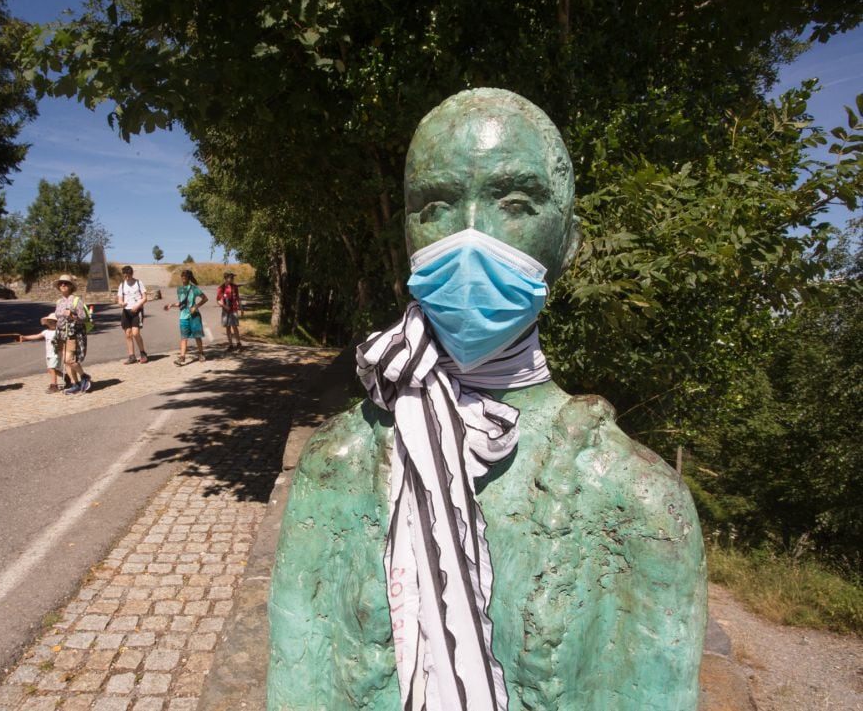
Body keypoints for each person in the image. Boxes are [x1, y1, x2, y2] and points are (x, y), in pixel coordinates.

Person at [267, 89, 706, 711]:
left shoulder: (638, 500)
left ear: (568, 242)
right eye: (437, 205)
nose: (470, 238)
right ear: (409, 231)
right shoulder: (338, 464)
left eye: (517, 204)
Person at [53, 274, 91, 394]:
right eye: (61, 283)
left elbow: (84, 318)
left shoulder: (76, 300)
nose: (63, 285)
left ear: (71, 286)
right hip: (60, 334)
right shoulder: (59, 301)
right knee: (65, 360)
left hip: (72, 333)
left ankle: (84, 376)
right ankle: (75, 384)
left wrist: (72, 316)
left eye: (66, 283)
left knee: (69, 359)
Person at [163, 269, 207, 366]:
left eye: (185, 276)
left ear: (188, 278)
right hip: (183, 316)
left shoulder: (194, 289)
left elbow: (205, 298)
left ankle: (201, 353)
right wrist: (171, 305)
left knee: (197, 336)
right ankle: (182, 357)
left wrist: (196, 306)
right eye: (182, 276)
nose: (183, 278)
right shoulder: (179, 289)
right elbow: (182, 303)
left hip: (194, 316)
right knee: (184, 338)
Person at [17, 313, 63, 393]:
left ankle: (54, 385)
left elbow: (62, 342)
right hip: (49, 353)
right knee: (51, 369)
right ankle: (65, 376)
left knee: (51, 369)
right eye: (49, 322)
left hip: (55, 353)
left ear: (57, 323)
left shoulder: (59, 332)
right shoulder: (46, 332)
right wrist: (25, 337)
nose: (51, 323)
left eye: (53, 322)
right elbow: (36, 336)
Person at [117, 265, 149, 364]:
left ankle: (143, 353)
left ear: (132, 274)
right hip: (126, 311)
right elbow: (119, 299)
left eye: (128, 276)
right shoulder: (122, 285)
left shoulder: (139, 283)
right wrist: (122, 303)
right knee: (128, 334)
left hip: (137, 311)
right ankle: (132, 356)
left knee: (135, 333)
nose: (127, 278)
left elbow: (145, 298)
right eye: (125, 276)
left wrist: (137, 305)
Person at [216, 270, 244, 351]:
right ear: (226, 278)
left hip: (234, 309)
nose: (232, 279)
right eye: (231, 277)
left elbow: (238, 298)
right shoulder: (221, 288)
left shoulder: (235, 287)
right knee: (228, 327)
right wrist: (224, 306)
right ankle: (230, 344)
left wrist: (241, 308)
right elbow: (218, 300)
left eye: (233, 277)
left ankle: (238, 343)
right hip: (226, 311)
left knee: (235, 326)